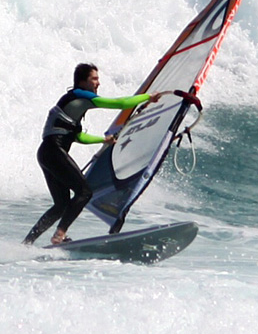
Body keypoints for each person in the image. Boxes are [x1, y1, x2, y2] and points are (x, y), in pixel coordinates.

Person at [23, 63, 164, 246]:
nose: (98, 83)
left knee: (61, 204)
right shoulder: (79, 95)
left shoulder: (73, 105)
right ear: (83, 82)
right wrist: (148, 97)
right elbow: (119, 104)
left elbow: (77, 136)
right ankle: (59, 235)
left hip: (47, 153)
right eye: (94, 79)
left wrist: (101, 140)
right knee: (84, 192)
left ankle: (27, 242)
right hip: (53, 151)